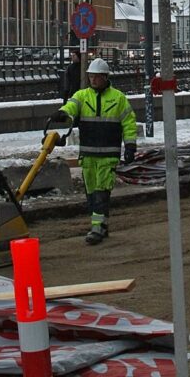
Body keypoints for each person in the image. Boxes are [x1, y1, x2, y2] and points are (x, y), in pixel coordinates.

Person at [52, 58, 137, 245]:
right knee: (91, 194)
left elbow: (129, 124)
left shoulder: (118, 98)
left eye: (97, 76)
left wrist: (130, 146)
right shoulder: (82, 96)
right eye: (91, 76)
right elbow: (71, 106)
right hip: (88, 155)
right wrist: (63, 113)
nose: (93, 80)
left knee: (101, 193)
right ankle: (101, 225)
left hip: (108, 155)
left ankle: (97, 228)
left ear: (105, 77)